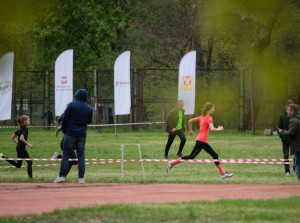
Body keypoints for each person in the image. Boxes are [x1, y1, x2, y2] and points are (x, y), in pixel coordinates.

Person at [166, 102, 233, 179]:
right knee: (195, 156)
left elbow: (190, 121)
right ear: (209, 109)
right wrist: (219, 129)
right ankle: (171, 163)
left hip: (201, 141)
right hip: (201, 141)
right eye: (213, 108)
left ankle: (223, 174)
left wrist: (190, 131)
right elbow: (212, 129)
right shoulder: (209, 118)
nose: (214, 110)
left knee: (211, 155)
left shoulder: (201, 117)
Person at [54, 89, 93, 184]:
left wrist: (65, 130)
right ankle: (81, 178)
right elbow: (89, 121)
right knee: (81, 156)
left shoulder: (71, 105)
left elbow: (65, 118)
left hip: (70, 133)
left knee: (66, 155)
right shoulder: (89, 108)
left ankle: (62, 176)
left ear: (77, 96)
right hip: (82, 135)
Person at [278, 104, 300, 181]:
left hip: (297, 145)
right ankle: (289, 172)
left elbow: (291, 133)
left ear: (292, 111)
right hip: (293, 144)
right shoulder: (285, 116)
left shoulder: (294, 120)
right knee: (292, 159)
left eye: (288, 110)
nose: (287, 111)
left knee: (297, 164)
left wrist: (282, 132)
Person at [277, 99, 294, 176]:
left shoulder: (296, 116)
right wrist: (282, 137)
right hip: (285, 139)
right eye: (285, 105)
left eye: (288, 105)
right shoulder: (282, 116)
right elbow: (278, 128)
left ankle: (295, 170)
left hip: (294, 140)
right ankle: (287, 171)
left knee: (296, 156)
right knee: (286, 155)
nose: (286, 106)